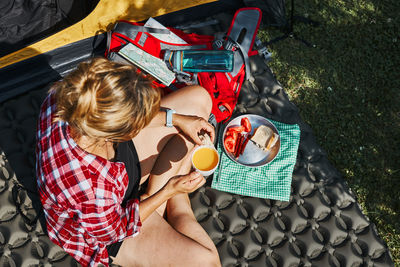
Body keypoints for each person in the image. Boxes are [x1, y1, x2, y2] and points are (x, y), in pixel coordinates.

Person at [36, 57, 221, 267]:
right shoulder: (91, 190)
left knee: (198, 100)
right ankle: (176, 204)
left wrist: (178, 120)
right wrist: (168, 192)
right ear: (116, 131)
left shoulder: (70, 95)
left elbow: (130, 116)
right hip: (110, 223)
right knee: (208, 261)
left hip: (114, 167)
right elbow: (114, 231)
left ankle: (159, 202)